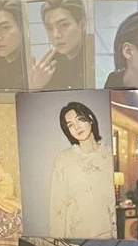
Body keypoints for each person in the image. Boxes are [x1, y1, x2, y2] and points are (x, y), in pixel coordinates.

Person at [49, 102, 117, 238]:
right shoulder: (64, 159)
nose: (76, 127)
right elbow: (57, 206)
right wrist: (56, 241)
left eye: (79, 119)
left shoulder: (110, 155)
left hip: (106, 234)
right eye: (70, 125)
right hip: (76, 236)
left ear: (90, 119)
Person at [29, 0, 87, 91]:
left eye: (64, 25)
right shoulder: (50, 66)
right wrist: (36, 86)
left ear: (82, 25)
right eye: (49, 28)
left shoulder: (95, 58)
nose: (56, 35)